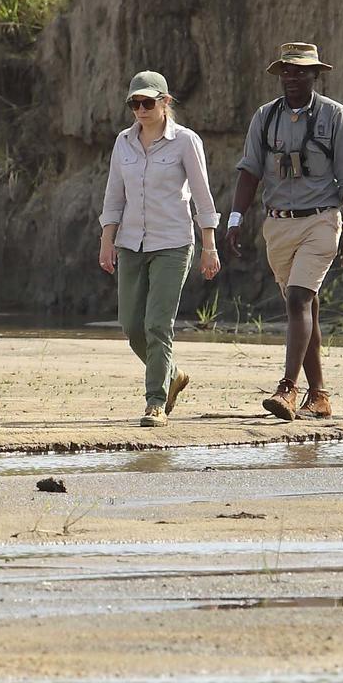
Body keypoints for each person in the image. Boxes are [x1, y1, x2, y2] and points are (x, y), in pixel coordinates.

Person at [230, 40, 343, 421]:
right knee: (304, 309)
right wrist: (236, 218)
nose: (292, 77)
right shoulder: (265, 117)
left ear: (315, 74)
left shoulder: (336, 117)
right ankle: (319, 395)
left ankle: (287, 388)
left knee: (298, 301)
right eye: (287, 70)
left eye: (301, 70)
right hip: (278, 224)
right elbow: (250, 170)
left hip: (322, 220)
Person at [97, 68, 221, 428]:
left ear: (165, 102)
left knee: (157, 323)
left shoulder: (185, 141)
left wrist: (209, 246)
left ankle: (155, 402)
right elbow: (113, 193)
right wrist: (107, 239)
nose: (140, 109)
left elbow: (202, 194)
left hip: (173, 243)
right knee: (131, 325)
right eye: (134, 103)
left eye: (147, 102)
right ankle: (174, 374)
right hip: (131, 242)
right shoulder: (123, 142)